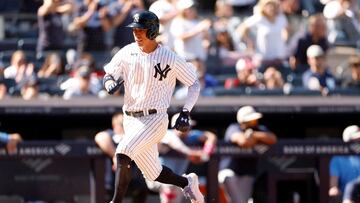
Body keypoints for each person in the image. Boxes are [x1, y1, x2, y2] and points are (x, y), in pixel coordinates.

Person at [103, 10, 204, 203]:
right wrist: (109, 84)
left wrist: (185, 111)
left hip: (154, 118)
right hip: (130, 119)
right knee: (153, 173)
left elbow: (193, 83)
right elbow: (109, 74)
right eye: (134, 30)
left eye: (140, 30)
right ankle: (186, 183)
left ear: (152, 31)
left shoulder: (169, 57)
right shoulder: (127, 51)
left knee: (123, 152)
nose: (136, 34)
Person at [148, 113, 217, 203]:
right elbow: (178, 146)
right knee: (169, 187)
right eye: (184, 126)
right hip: (156, 178)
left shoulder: (191, 136)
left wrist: (207, 150)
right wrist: (193, 153)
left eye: (188, 126)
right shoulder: (167, 134)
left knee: (179, 186)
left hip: (176, 180)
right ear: (175, 126)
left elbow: (210, 136)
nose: (187, 129)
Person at [218, 105, 277, 203]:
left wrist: (254, 135)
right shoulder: (234, 128)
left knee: (242, 201)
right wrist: (255, 139)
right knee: (229, 179)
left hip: (247, 173)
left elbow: (273, 139)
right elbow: (243, 142)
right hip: (229, 170)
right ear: (242, 121)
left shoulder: (259, 129)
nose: (254, 121)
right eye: (251, 119)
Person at [94, 112, 148, 203]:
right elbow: (100, 137)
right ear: (115, 126)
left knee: (142, 188)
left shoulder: (134, 136)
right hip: (112, 184)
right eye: (123, 124)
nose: (127, 126)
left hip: (133, 182)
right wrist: (116, 156)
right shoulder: (110, 135)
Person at [329, 125, 360, 201]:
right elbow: (333, 185)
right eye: (356, 139)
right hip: (346, 198)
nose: (359, 141)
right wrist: (334, 189)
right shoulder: (337, 158)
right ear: (347, 141)